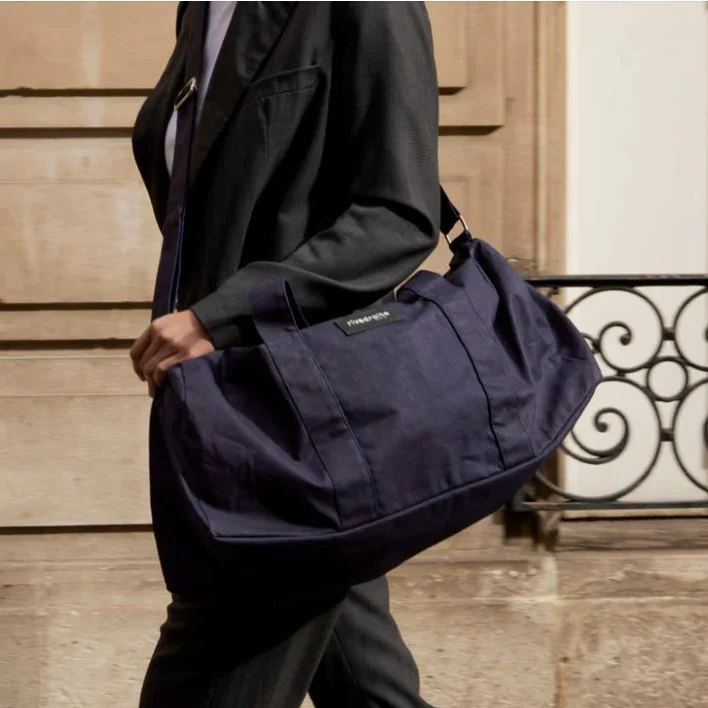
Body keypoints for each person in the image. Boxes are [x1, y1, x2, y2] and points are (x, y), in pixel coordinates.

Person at [130, 2, 441, 706]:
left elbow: (397, 216)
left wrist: (220, 316)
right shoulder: (202, 8)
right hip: (224, 413)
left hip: (295, 432)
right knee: (368, 689)